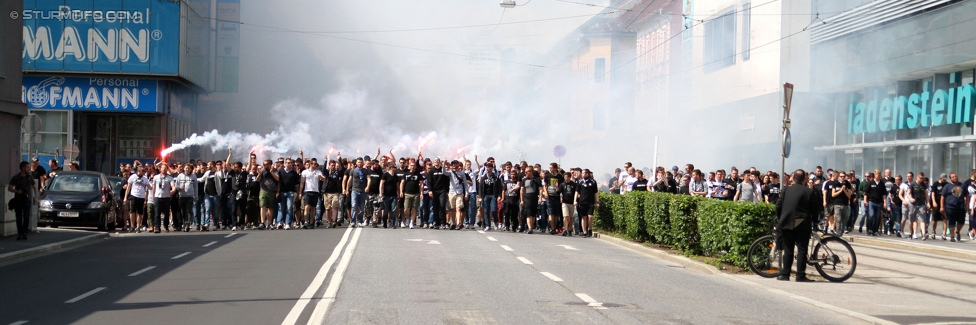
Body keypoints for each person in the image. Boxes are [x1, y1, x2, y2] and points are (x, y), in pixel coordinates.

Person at [774, 169, 819, 282]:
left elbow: (778, 206)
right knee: (802, 249)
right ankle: (800, 275)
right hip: (802, 224)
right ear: (805, 179)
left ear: (793, 178)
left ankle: (785, 274)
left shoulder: (785, 190)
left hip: (787, 223)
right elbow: (815, 209)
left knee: (788, 249)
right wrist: (815, 221)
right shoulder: (809, 192)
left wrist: (781, 219)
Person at [8, 162, 38, 240]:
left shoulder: (29, 177)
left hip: (27, 200)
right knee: (18, 217)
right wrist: (17, 191)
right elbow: (10, 188)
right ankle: (20, 233)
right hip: (18, 200)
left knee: (26, 216)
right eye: (27, 167)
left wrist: (36, 198)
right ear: (22, 168)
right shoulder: (16, 177)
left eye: (29, 167)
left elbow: (35, 187)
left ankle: (25, 233)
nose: (28, 169)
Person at [150, 163, 177, 233]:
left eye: (165, 168)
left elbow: (173, 186)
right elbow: (154, 188)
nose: (164, 169)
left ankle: (165, 225)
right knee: (157, 213)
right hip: (158, 196)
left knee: (166, 213)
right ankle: (157, 227)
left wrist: (173, 190)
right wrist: (153, 197)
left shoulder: (170, 178)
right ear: (160, 169)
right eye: (162, 168)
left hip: (166, 197)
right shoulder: (156, 177)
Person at [124, 165, 150, 233]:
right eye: (143, 171)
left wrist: (154, 188)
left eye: (144, 171)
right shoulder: (133, 177)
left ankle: (138, 227)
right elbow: (128, 187)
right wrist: (125, 197)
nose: (144, 172)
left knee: (140, 212)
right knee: (132, 211)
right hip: (133, 195)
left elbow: (149, 187)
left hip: (141, 197)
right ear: (138, 171)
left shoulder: (145, 178)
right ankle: (132, 226)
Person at [941, 172, 966, 242]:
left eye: (955, 176)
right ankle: (952, 236)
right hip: (950, 207)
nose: (955, 178)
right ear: (950, 178)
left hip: (960, 207)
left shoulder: (962, 185)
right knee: (952, 222)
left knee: (961, 222)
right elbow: (942, 197)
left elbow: (966, 195)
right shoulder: (947, 186)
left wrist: (966, 204)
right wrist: (942, 207)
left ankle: (957, 231)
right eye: (953, 177)